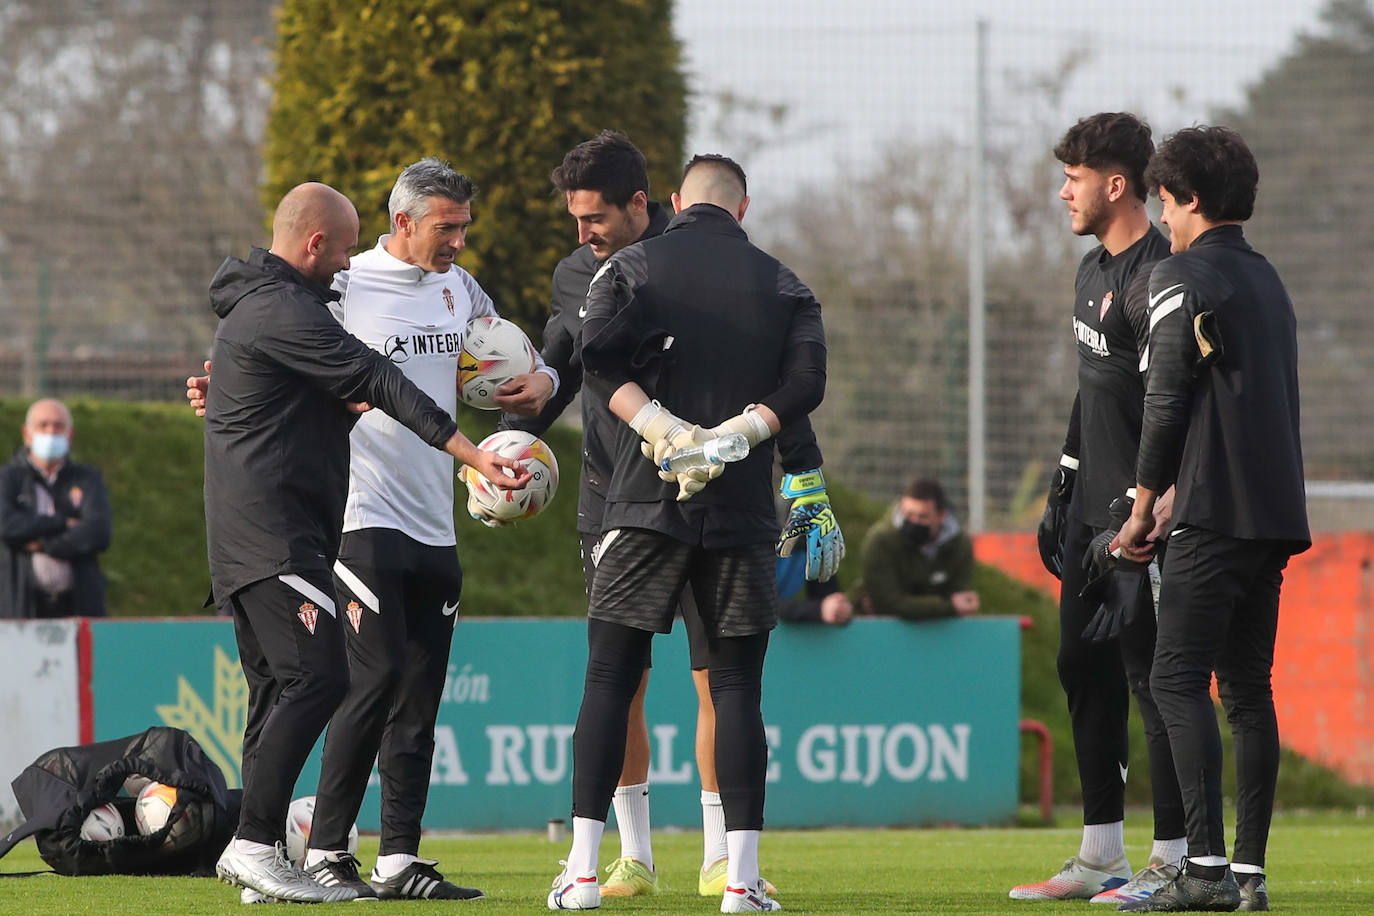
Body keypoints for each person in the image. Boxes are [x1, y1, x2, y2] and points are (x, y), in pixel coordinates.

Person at [496, 131, 834, 900]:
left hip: (639, 507)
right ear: (741, 209)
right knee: (732, 685)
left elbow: (598, 358)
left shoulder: (635, 271)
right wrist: (510, 442)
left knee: (618, 674)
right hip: (727, 505)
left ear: (665, 204)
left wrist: (663, 432)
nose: (585, 234)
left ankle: (590, 869)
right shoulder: (780, 281)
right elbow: (800, 383)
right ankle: (705, 873)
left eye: (595, 218)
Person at [204, 181, 529, 905]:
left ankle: (398, 859)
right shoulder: (338, 289)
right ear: (403, 222)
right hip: (359, 514)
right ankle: (319, 849)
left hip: (434, 518)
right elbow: (357, 371)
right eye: (448, 226)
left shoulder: (461, 289)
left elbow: (504, 356)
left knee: (417, 696)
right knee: (358, 679)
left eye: (464, 226)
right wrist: (473, 454)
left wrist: (532, 382)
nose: (459, 241)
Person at [1112, 126, 1309, 914]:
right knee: (1250, 692)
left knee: (1175, 677)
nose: (1161, 216)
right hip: (1273, 513)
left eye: (1164, 201)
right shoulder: (1267, 280)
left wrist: (1141, 503)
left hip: (1214, 511)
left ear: (1189, 200)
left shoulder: (1181, 273)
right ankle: (1250, 877)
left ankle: (1202, 869)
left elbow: (1165, 399)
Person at [1011, 112, 1187, 906]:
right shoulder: (1091, 271)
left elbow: (1169, 406)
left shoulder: (1161, 274)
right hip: (1089, 513)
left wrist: (1140, 513)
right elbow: (1095, 392)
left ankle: (1178, 858)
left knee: (1155, 682)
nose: (1062, 192)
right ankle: (1100, 856)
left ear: (1116, 185)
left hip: (1140, 523)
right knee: (1081, 669)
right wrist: (1064, 484)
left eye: (1073, 179)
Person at [0, 398, 111, 618]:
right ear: (26, 433)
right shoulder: (8, 478)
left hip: (78, 604)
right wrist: (61, 522)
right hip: (21, 606)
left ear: (70, 435)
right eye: (43, 425)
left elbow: (98, 532)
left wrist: (44, 545)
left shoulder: (87, 478)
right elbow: (6, 525)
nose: (51, 432)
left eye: (58, 426)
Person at [857, 477, 978, 621]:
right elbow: (886, 603)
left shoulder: (959, 545)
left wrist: (955, 605)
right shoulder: (881, 540)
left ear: (942, 516)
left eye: (923, 517)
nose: (914, 522)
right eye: (908, 515)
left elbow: (960, 595)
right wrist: (948, 606)